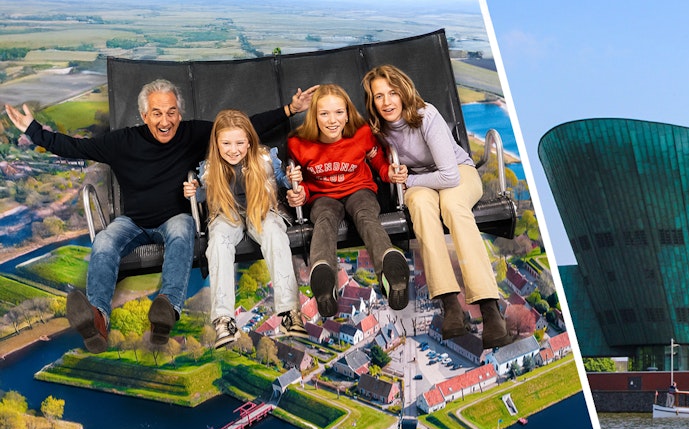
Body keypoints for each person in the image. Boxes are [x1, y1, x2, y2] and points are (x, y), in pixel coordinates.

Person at [3, 80, 315, 353]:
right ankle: (97, 319)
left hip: (174, 217)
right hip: (133, 222)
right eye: (156, 113)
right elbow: (76, 147)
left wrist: (289, 109)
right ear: (144, 115)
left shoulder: (194, 133)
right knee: (105, 242)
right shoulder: (122, 142)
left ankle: (167, 309)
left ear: (179, 113)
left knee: (181, 231)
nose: (165, 121)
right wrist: (34, 131)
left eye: (170, 113)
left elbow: (241, 129)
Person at [362, 64, 513, 349]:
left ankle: (489, 307)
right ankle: (449, 304)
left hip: (457, 171)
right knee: (418, 204)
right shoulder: (378, 130)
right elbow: (380, 162)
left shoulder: (425, 116)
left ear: (403, 91)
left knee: (454, 205)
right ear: (372, 102)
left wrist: (410, 180)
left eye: (392, 93)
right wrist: (398, 179)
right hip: (420, 186)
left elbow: (450, 176)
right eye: (378, 96)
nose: (387, 102)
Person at [183, 110, 306, 348]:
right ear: (217, 145)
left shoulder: (265, 159)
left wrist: (293, 179)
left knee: (275, 236)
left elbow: (282, 179)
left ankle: (290, 312)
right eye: (226, 143)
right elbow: (202, 193)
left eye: (240, 143)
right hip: (227, 215)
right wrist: (193, 191)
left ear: (249, 141)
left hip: (261, 211)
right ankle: (224, 319)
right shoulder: (210, 169)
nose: (233, 149)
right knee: (218, 242)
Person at [284, 84, 410, 315]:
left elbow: (379, 162)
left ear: (348, 113)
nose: (333, 121)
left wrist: (389, 174)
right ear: (314, 116)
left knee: (365, 215)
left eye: (339, 112)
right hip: (322, 196)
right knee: (324, 219)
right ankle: (324, 279)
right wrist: (299, 194)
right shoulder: (298, 144)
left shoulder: (361, 134)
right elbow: (299, 182)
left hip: (359, 189)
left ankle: (389, 268)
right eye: (324, 114)